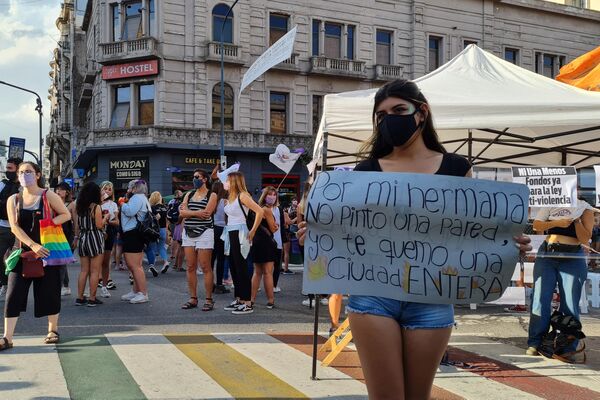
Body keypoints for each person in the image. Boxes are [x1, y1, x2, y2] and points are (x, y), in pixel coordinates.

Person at [297, 79, 531, 399]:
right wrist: (319, 235)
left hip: (432, 300)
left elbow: (471, 232)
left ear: (421, 113)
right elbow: (350, 231)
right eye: (381, 115)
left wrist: (507, 244)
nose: (389, 118)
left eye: (398, 110)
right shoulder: (364, 173)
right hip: (373, 298)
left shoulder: (457, 169)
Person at [1, 161, 71, 350]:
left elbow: (66, 214)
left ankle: (52, 330)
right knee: (13, 294)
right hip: (22, 252)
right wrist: (33, 245)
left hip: (47, 252)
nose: (25, 175)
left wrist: (48, 224)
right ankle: (7, 337)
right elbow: (14, 227)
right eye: (22, 172)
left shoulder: (48, 195)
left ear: (38, 175)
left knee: (50, 291)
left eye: (29, 171)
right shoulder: (13, 199)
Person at [526, 198, 593, 358]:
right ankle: (535, 342)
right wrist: (557, 223)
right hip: (548, 253)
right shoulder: (552, 200)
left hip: (572, 256)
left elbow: (585, 238)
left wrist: (575, 220)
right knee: (540, 299)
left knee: (570, 302)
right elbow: (536, 225)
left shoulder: (585, 207)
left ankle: (567, 345)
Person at [221, 171, 264, 315]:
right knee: (234, 267)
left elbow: (259, 211)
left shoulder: (243, 196)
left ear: (234, 181)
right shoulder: (231, 197)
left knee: (242, 268)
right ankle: (239, 299)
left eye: (227, 180)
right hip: (231, 232)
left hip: (240, 232)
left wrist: (252, 231)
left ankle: (247, 302)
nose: (225, 183)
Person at [180, 170, 217, 311]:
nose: (194, 179)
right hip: (188, 233)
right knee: (190, 266)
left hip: (205, 232)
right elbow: (182, 213)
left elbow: (207, 214)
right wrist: (196, 213)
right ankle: (193, 298)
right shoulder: (188, 194)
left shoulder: (211, 195)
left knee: (205, 266)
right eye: (193, 177)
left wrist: (189, 213)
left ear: (205, 179)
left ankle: (208, 299)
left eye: (197, 177)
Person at [74, 182, 107, 307]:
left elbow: (77, 225)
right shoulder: (96, 207)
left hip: (83, 237)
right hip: (95, 237)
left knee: (83, 271)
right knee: (94, 271)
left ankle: (80, 297)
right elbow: (99, 225)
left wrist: (77, 238)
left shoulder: (80, 206)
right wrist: (106, 218)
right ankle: (92, 298)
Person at [120, 180, 150, 304]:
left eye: (130, 187)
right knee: (134, 265)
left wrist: (122, 204)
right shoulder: (142, 198)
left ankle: (143, 293)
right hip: (134, 233)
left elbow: (130, 211)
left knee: (135, 265)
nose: (128, 189)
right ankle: (136, 290)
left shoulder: (137, 198)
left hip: (133, 233)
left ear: (134, 188)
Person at [250, 187, 279, 309]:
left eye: (274, 194)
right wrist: (275, 225)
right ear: (265, 196)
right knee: (267, 273)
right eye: (270, 194)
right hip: (267, 242)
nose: (272, 197)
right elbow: (273, 228)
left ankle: (251, 299)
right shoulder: (267, 210)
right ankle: (271, 299)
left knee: (257, 272)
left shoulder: (257, 208)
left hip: (257, 241)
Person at [0, 157, 22, 299]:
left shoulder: (24, 186)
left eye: (10, 168)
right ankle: (4, 284)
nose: (7, 171)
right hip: (2, 227)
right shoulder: (2, 185)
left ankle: (16, 287)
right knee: (1, 258)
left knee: (17, 259)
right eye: (6, 168)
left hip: (19, 230)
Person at [54, 182, 76, 296]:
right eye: (57, 189)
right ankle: (66, 286)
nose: (58, 191)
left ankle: (61, 286)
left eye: (61, 189)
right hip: (56, 235)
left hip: (68, 235)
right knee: (62, 261)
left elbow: (76, 222)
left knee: (62, 262)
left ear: (67, 192)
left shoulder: (71, 204)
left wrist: (76, 237)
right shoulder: (53, 202)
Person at [99, 181, 119, 296]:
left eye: (109, 189)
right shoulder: (96, 203)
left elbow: (117, 221)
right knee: (95, 261)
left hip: (109, 231)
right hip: (97, 232)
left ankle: (104, 286)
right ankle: (90, 286)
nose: (107, 191)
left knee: (106, 261)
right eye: (105, 188)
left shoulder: (113, 205)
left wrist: (108, 221)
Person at [211, 181, 230, 294]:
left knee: (211, 259)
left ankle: (210, 283)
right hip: (223, 230)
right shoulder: (225, 201)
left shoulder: (212, 201)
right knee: (221, 259)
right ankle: (219, 284)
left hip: (212, 229)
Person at [145, 191, 169, 275]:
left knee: (152, 247)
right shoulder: (165, 207)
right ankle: (166, 262)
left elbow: (156, 217)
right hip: (163, 229)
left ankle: (152, 265)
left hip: (154, 230)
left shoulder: (152, 207)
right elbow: (167, 220)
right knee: (161, 247)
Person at [167, 190, 184, 271]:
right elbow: (181, 215)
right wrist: (179, 221)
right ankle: (179, 266)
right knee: (182, 247)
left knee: (180, 245)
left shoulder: (172, 202)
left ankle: (176, 264)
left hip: (177, 224)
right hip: (181, 225)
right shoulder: (181, 204)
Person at [281, 197, 298, 275]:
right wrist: (297, 218)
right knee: (286, 252)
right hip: (286, 233)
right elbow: (290, 222)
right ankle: (286, 269)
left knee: (280, 251)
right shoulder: (284, 213)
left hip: (279, 232)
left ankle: (279, 267)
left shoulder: (276, 212)